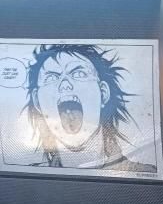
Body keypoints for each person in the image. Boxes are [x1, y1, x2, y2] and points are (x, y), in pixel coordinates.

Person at [24, 43, 156, 172]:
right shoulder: (27, 178)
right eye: (51, 77)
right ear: (37, 101)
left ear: (103, 93)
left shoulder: (143, 173)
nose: (65, 84)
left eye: (79, 74)